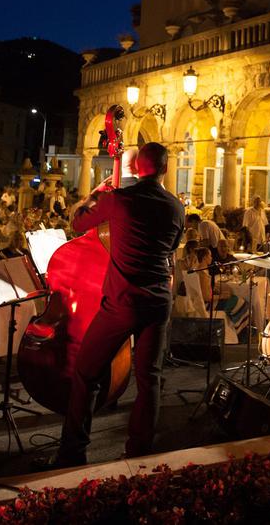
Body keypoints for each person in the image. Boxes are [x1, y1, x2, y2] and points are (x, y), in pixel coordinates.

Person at [53, 142, 184, 467]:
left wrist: (101, 189)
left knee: (85, 373)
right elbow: (171, 249)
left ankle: (73, 452)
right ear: (165, 169)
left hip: (123, 301)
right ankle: (139, 453)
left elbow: (77, 223)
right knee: (149, 379)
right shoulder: (176, 207)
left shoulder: (120, 199)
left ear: (137, 168)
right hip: (158, 304)